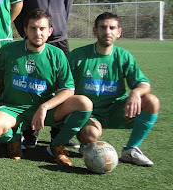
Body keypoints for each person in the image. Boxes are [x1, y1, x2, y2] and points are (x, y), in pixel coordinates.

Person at [0, 9, 92, 167]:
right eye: (33, 28)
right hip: (14, 108)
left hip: (46, 109)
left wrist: (44, 107)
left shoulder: (57, 55)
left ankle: (57, 145)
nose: (38, 33)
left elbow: (68, 89)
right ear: (25, 30)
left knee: (84, 103)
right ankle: (14, 140)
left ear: (50, 31)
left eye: (42, 28)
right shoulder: (10, 50)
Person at [68, 12, 159, 166]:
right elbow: (63, 85)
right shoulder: (78, 55)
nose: (107, 31)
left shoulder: (123, 56)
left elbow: (144, 84)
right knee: (90, 134)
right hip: (89, 112)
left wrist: (135, 92)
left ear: (119, 32)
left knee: (152, 101)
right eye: (103, 27)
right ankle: (86, 143)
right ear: (95, 31)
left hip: (117, 110)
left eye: (112, 28)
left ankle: (130, 150)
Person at [15, 0, 75, 148]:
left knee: (62, 86)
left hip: (59, 39)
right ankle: (30, 132)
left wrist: (57, 27)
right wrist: (27, 34)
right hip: (33, 40)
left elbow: (67, 7)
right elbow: (20, 11)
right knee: (32, 85)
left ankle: (59, 132)